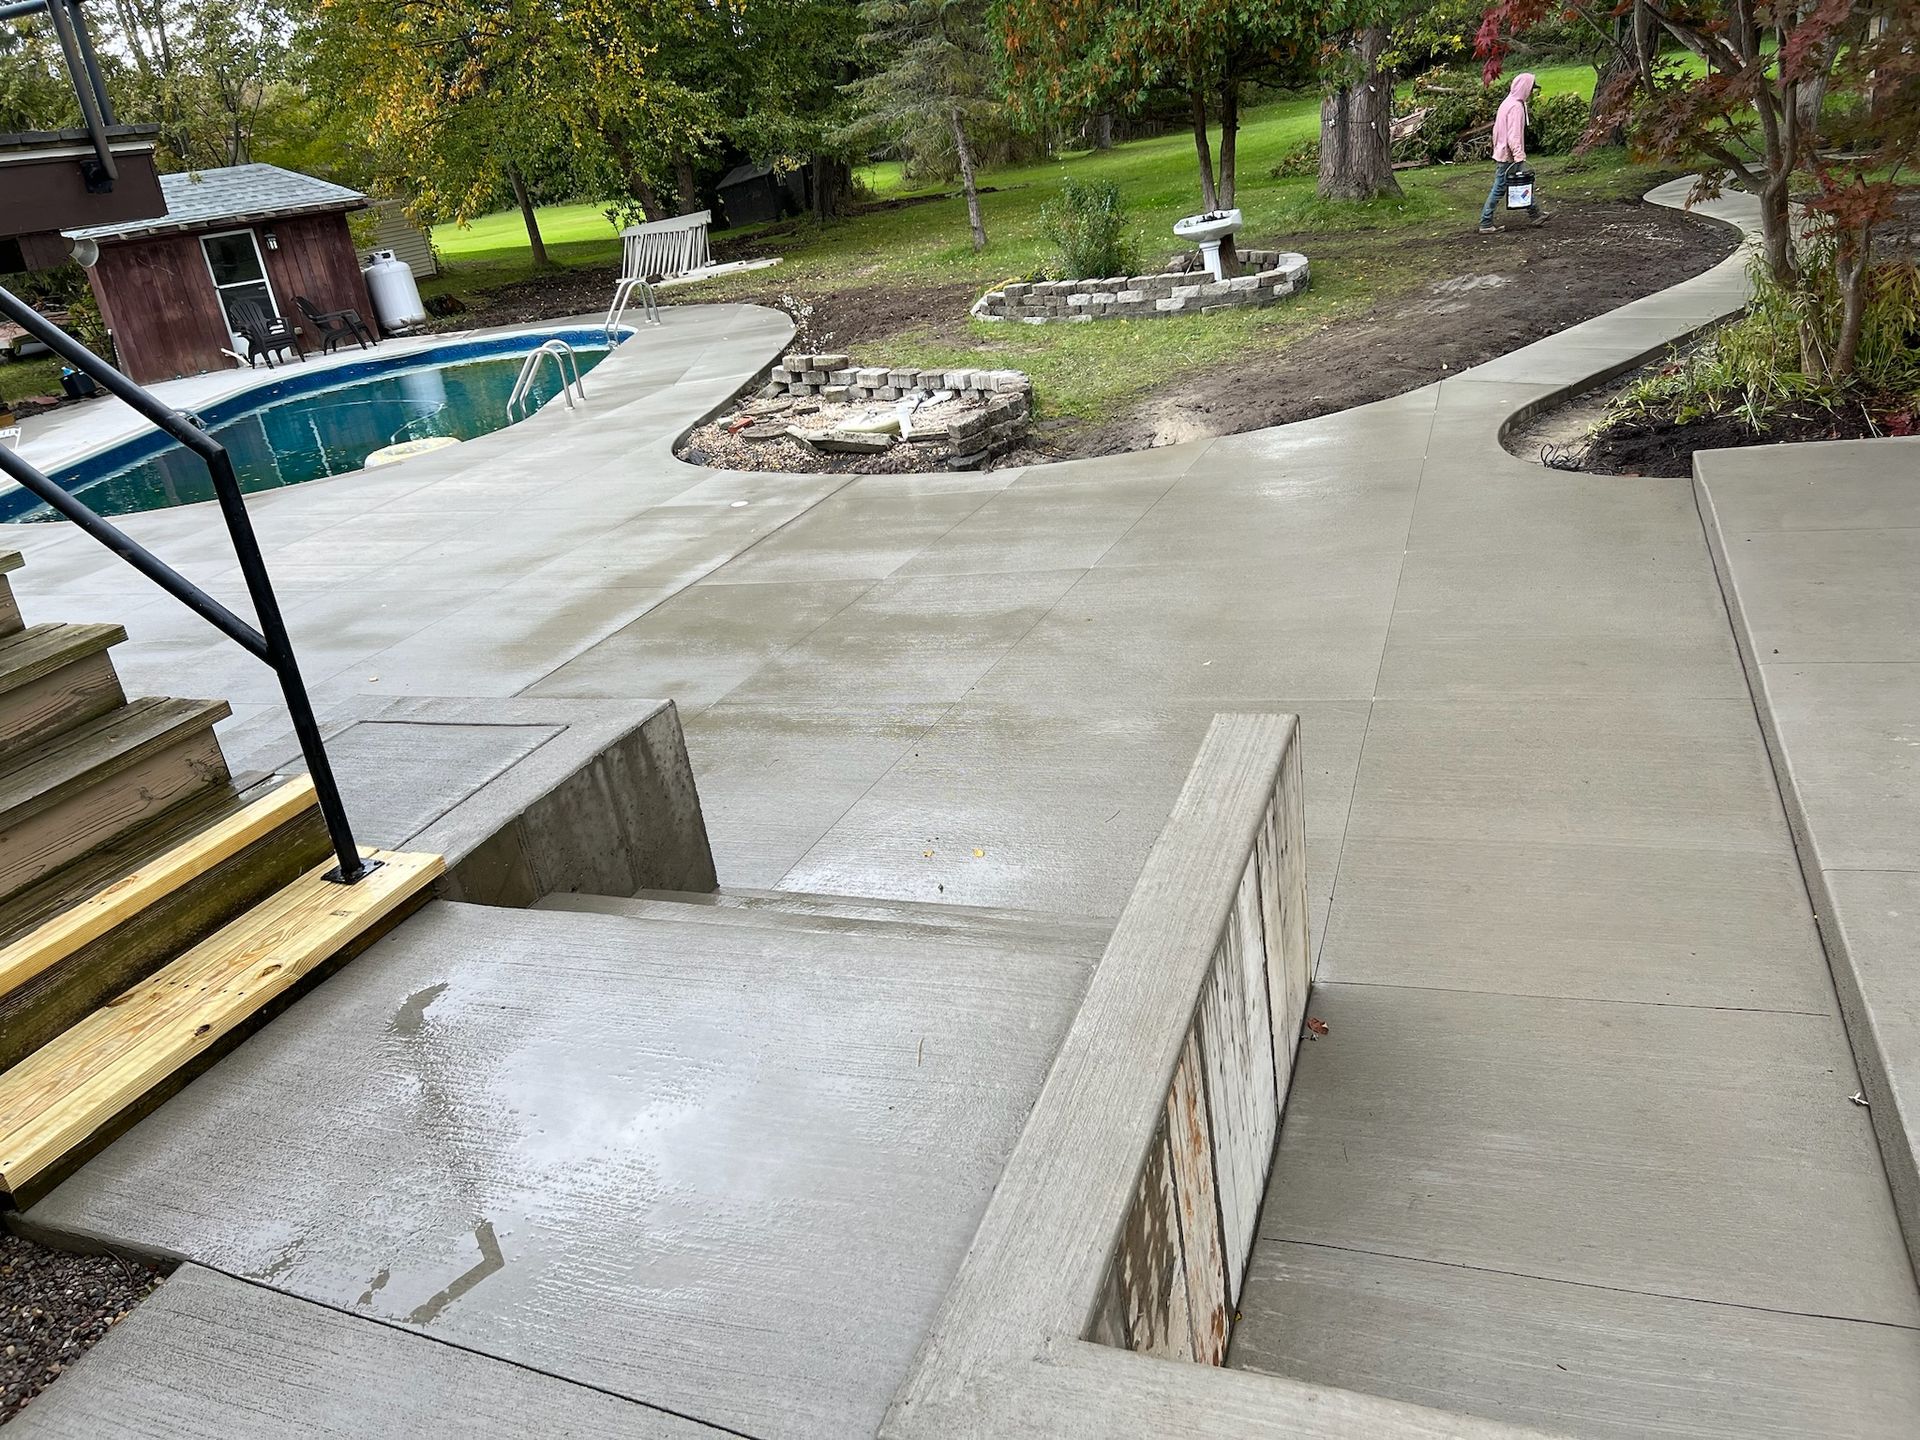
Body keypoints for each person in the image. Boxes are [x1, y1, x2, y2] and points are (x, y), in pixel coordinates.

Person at [1479, 72, 1548, 234]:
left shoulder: (1507, 102)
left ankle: (1535, 214)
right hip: (1509, 154)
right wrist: (1518, 155)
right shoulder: (1516, 107)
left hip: (1503, 150)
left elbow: (1497, 130)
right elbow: (1514, 135)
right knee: (1500, 187)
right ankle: (1486, 222)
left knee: (1521, 183)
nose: (1531, 93)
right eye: (1531, 89)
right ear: (1525, 89)